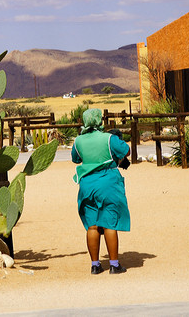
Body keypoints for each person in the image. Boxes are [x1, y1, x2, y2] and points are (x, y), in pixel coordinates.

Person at [71, 108, 130, 275]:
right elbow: (126, 151)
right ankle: (114, 264)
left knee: (92, 225)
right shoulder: (109, 138)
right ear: (99, 121)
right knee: (110, 223)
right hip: (108, 183)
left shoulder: (78, 141)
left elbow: (76, 158)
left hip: (87, 184)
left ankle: (95, 265)